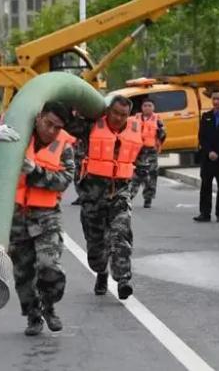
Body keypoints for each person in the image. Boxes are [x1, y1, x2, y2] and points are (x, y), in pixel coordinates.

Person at [0, 101, 74, 336]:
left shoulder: (65, 145)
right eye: (48, 124)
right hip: (17, 215)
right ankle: (33, 316)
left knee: (49, 265)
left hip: (46, 216)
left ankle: (48, 306)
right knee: (23, 273)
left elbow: (64, 179)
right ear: (39, 117)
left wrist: (35, 172)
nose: (51, 131)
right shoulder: (18, 133)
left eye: (57, 127)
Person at [77, 95, 143, 300]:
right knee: (95, 244)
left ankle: (123, 280)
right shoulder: (90, 127)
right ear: (107, 111)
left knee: (120, 234)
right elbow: (64, 123)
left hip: (120, 193)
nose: (118, 118)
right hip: (92, 195)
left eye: (123, 115)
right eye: (115, 113)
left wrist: (131, 190)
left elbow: (140, 163)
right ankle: (101, 272)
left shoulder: (134, 131)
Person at [193, 88, 219, 223]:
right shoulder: (206, 116)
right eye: (214, 99)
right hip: (208, 158)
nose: (216, 101)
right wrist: (209, 151)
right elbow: (202, 137)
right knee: (206, 186)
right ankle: (204, 213)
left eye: (218, 98)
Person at [130, 99, 166, 208]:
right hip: (137, 151)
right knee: (135, 175)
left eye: (149, 105)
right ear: (142, 107)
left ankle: (148, 198)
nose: (147, 108)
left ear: (153, 107)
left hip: (151, 151)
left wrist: (158, 142)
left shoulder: (158, 120)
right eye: (145, 105)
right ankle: (129, 196)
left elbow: (163, 135)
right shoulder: (134, 119)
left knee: (151, 175)